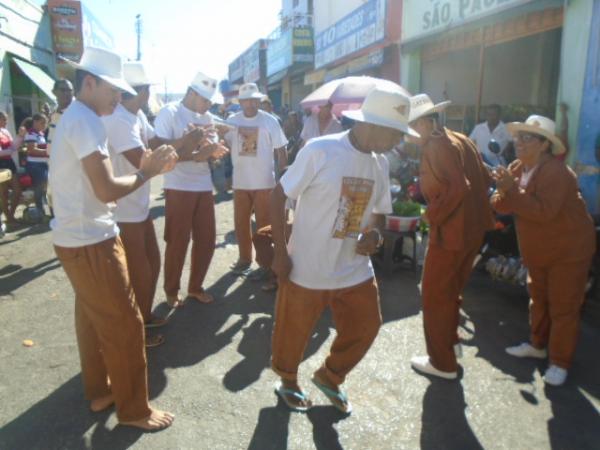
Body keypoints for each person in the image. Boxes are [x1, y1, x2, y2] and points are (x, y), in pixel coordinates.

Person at [49, 46, 178, 430]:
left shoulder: (79, 116)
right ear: (89, 83)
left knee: (92, 320)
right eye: (113, 91)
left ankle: (101, 390)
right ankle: (134, 409)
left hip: (78, 237)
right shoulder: (85, 120)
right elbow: (106, 189)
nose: (118, 98)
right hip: (91, 239)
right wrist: (147, 172)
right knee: (126, 324)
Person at [270, 86, 418, 413]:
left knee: (367, 324)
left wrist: (376, 235)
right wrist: (280, 253)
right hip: (307, 266)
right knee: (292, 331)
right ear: (373, 125)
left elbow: (379, 212)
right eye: (396, 134)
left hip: (354, 267)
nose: (399, 142)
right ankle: (288, 380)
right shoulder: (320, 150)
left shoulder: (380, 163)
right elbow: (279, 195)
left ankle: (331, 376)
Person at [491, 115, 596, 386]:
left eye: (527, 138)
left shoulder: (557, 173)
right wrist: (503, 190)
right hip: (539, 251)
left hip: (568, 251)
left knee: (563, 308)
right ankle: (538, 345)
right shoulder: (517, 167)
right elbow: (501, 204)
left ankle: (560, 362)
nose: (519, 143)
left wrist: (510, 191)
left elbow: (543, 212)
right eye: (517, 137)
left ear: (544, 146)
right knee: (538, 300)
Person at [408, 94, 495, 380]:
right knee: (451, 292)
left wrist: (429, 216)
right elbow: (484, 176)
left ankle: (442, 362)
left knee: (434, 296)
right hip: (472, 231)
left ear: (423, 122)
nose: (409, 134)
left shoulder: (436, 145)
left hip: (452, 233)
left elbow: (459, 188)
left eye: (411, 126)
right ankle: (451, 343)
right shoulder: (460, 139)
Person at [102, 61, 169, 347]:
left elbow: (158, 142)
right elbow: (145, 162)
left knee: (152, 264)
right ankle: (136, 331)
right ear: (140, 91)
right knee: (138, 272)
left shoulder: (136, 114)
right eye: (147, 90)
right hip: (124, 210)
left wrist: (190, 144)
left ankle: (144, 315)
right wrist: (189, 150)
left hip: (138, 206)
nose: (148, 95)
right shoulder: (118, 119)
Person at [154, 71, 228, 307]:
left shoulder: (207, 117)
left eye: (209, 100)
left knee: (206, 240)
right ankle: (171, 290)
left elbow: (211, 152)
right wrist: (197, 156)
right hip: (178, 185)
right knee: (178, 241)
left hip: (203, 186)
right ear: (192, 92)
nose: (207, 104)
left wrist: (215, 154)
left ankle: (195, 287)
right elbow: (161, 153)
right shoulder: (170, 112)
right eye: (205, 99)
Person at [225, 82, 288, 276]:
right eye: (247, 100)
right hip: (240, 183)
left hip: (264, 183)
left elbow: (281, 150)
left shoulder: (269, 121)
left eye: (254, 100)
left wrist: (284, 178)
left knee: (263, 225)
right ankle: (244, 259)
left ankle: (264, 264)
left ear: (259, 100)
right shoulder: (231, 121)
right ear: (241, 102)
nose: (251, 104)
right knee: (241, 223)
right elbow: (225, 147)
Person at [24, 113, 49, 219]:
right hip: (35, 166)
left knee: (43, 190)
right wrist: (48, 152)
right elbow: (31, 150)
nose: (44, 125)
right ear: (35, 122)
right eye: (42, 123)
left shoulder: (40, 134)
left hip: (41, 165)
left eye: (45, 123)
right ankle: (40, 213)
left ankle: (42, 212)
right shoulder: (31, 134)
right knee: (39, 190)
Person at [0, 111, 22, 226]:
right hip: (0, 164)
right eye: (4, 119)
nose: (6, 121)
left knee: (17, 191)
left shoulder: (5, 131)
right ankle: (9, 218)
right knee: (3, 193)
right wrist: (12, 150)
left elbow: (13, 146)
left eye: (6, 119)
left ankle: (10, 215)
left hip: (9, 162)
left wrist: (20, 136)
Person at [47, 79, 74, 153]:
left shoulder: (74, 114)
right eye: (63, 90)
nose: (67, 93)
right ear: (54, 92)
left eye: (70, 90)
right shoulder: (54, 112)